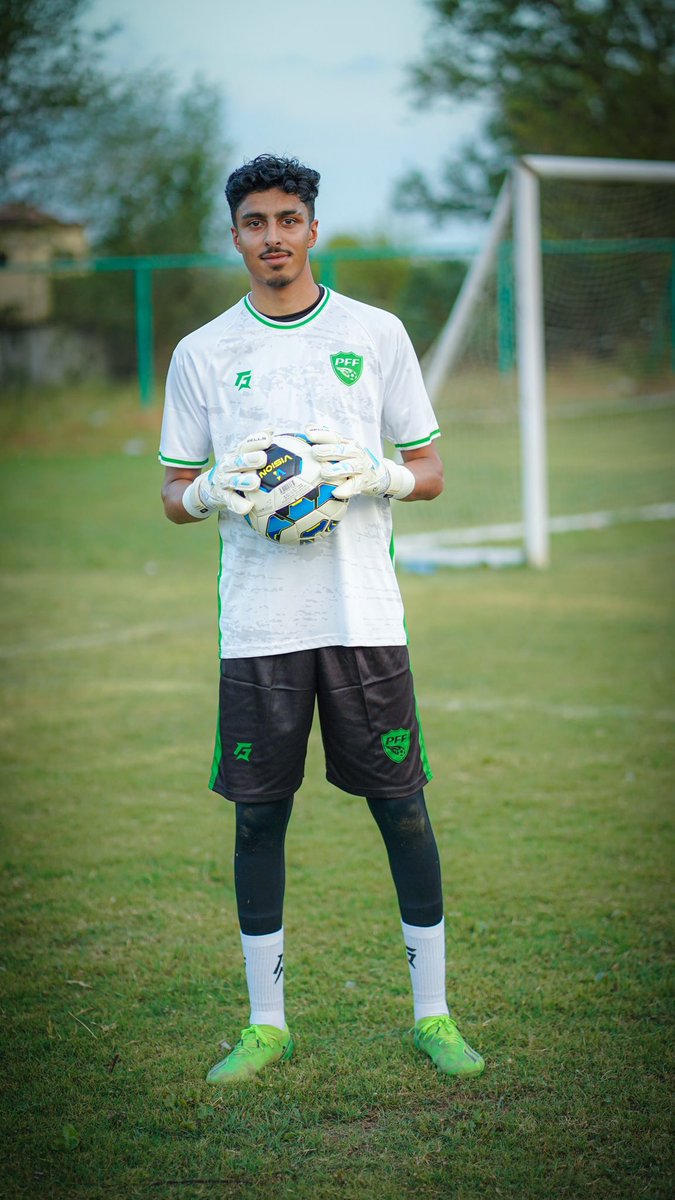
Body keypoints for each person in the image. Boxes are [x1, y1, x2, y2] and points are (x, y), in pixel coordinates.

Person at [159, 154, 484, 1084]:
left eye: (288, 219)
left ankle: (434, 1015)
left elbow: (428, 470)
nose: (273, 237)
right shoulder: (203, 352)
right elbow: (172, 493)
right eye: (254, 222)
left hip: (362, 617)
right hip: (259, 626)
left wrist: (378, 474)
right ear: (235, 236)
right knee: (258, 821)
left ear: (312, 227)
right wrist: (211, 493)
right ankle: (267, 1024)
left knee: (402, 810)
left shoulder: (375, 334)